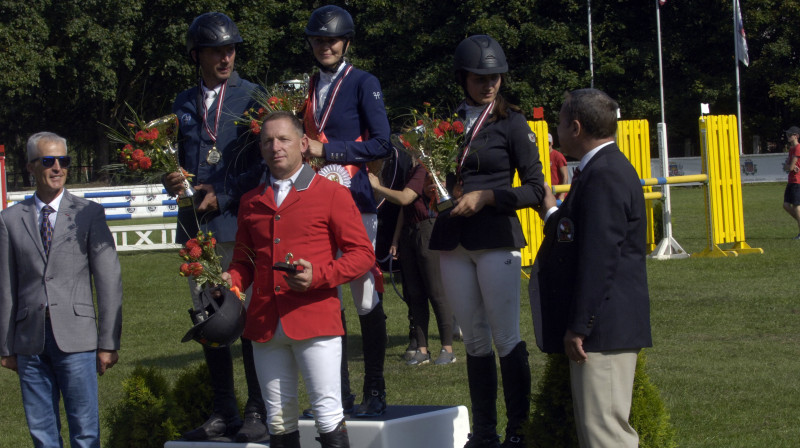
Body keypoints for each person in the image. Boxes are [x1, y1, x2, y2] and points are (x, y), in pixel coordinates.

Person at [225, 111, 375, 448]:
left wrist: (319, 276)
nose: (275, 146)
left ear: (303, 144)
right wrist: (230, 280)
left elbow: (363, 254)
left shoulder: (331, 193)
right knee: (278, 420)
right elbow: (243, 262)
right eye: (267, 141)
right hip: (264, 324)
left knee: (327, 415)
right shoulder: (250, 202)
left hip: (315, 319)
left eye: (283, 139)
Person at [429, 35, 545, 448]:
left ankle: (518, 430)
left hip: (496, 238)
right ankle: (483, 432)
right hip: (453, 242)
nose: (489, 84)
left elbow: (535, 188)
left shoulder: (513, 123)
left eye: (494, 77)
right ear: (463, 78)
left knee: (506, 337)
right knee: (475, 341)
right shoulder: (446, 123)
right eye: (480, 78)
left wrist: (488, 197)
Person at [162, 12, 267, 442]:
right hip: (195, 228)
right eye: (216, 51)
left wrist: (223, 195)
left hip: (238, 224)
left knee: (244, 317)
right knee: (210, 321)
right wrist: (170, 177)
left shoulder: (252, 96)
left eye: (231, 49)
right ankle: (222, 410)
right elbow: (179, 163)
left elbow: (264, 165)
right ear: (197, 55)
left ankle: (257, 409)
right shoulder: (182, 103)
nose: (226, 57)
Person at [530, 88, 652, 447]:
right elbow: (578, 236)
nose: (557, 128)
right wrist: (552, 211)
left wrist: (580, 326)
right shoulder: (599, 169)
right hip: (601, 327)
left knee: (606, 437)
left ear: (577, 127)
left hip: (603, 329)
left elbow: (599, 258)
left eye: (561, 121)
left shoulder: (605, 174)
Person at [0, 132, 123, 448]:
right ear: (30, 167)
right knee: (42, 434)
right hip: (29, 342)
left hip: (78, 338)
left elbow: (109, 281)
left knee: (85, 432)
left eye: (63, 161)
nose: (57, 168)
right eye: (48, 161)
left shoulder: (88, 213)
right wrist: (6, 346)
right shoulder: (9, 220)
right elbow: (5, 286)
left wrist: (108, 342)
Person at [301, 5, 393, 417]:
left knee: (365, 298)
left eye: (332, 40)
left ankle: (375, 386)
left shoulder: (363, 82)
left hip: (355, 201)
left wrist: (330, 150)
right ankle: (336, 390)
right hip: (315, 204)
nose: (326, 46)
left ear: (346, 43)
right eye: (319, 40)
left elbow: (382, 144)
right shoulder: (304, 87)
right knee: (327, 299)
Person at [369, 165, 456, 366]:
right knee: (415, 294)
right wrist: (396, 239)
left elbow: (405, 198)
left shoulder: (422, 169)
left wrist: (378, 187)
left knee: (436, 292)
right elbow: (405, 209)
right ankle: (422, 349)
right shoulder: (413, 170)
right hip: (410, 232)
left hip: (426, 228)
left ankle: (447, 348)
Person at [782, 125, 800, 239]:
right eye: (787, 134)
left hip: (797, 181)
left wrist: (790, 167)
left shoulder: (798, 148)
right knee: (786, 205)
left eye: (790, 134)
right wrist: (790, 166)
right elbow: (787, 167)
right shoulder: (791, 149)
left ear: (796, 136)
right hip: (791, 180)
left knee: (796, 206)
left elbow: (790, 166)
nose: (788, 136)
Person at [548, 133, 568, 201]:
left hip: (558, 196)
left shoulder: (558, 156)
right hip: (549, 195)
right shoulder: (540, 156)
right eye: (545, 143)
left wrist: (562, 195)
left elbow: (565, 177)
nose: (547, 145)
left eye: (549, 143)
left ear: (552, 143)